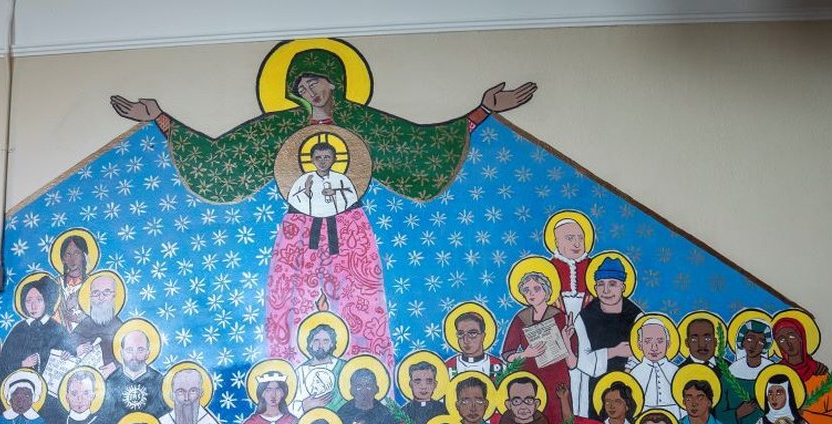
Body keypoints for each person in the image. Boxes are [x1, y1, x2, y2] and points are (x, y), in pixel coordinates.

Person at [111, 44, 534, 371]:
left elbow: (421, 150)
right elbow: (223, 161)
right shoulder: (280, 128)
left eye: (315, 81)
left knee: (361, 309)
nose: (309, 90)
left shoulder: (365, 125)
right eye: (300, 85)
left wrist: (483, 112)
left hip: (350, 230)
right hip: (298, 232)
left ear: (335, 83)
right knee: (291, 310)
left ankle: (369, 385)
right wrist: (161, 119)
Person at [573, 257, 640, 424]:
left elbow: (641, 351)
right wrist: (613, 352)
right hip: (595, 383)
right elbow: (583, 358)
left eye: (612, 284)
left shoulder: (635, 314)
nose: (606, 290)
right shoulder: (586, 317)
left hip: (629, 383)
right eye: (601, 284)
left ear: (623, 286)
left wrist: (630, 365)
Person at [500, 268, 574, 424]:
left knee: (557, 422)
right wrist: (526, 354)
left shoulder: (560, 317)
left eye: (536, 289)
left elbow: (572, 364)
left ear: (546, 291)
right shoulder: (521, 319)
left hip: (556, 379)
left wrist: (567, 340)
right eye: (527, 290)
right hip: (530, 380)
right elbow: (507, 355)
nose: (531, 294)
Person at [287, 137, 359, 250]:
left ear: (335, 159)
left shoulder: (342, 179)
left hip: (338, 226)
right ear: (312, 160)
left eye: (327, 157)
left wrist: (335, 193)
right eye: (318, 157)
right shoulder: (304, 180)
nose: (322, 161)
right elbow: (293, 205)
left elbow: (353, 201)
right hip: (310, 226)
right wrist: (306, 192)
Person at [1, 275, 76, 376]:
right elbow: (3, 365)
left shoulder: (57, 329)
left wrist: (69, 355)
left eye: (39, 300)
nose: (33, 306)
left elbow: (73, 355)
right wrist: (22, 364)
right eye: (28, 301)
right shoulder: (19, 330)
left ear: (47, 301)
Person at [103, 322, 166, 416]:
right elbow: (106, 416)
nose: (134, 356)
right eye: (129, 350)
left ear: (147, 353)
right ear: (121, 353)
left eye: (140, 350)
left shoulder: (159, 381)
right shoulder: (111, 381)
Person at [629, 316, 680, 412]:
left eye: (660, 341)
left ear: (668, 344)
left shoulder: (676, 371)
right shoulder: (635, 373)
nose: (654, 348)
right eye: (648, 342)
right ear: (640, 345)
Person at [291, 320, 342, 415]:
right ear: (310, 343)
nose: (320, 345)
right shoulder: (300, 372)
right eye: (316, 340)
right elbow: (289, 404)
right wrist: (303, 406)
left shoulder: (343, 368)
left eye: (325, 341)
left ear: (332, 344)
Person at [443, 309, 503, 380]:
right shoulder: (448, 367)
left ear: (483, 336)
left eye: (472, 333)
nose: (466, 340)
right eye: (460, 334)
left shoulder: (498, 366)